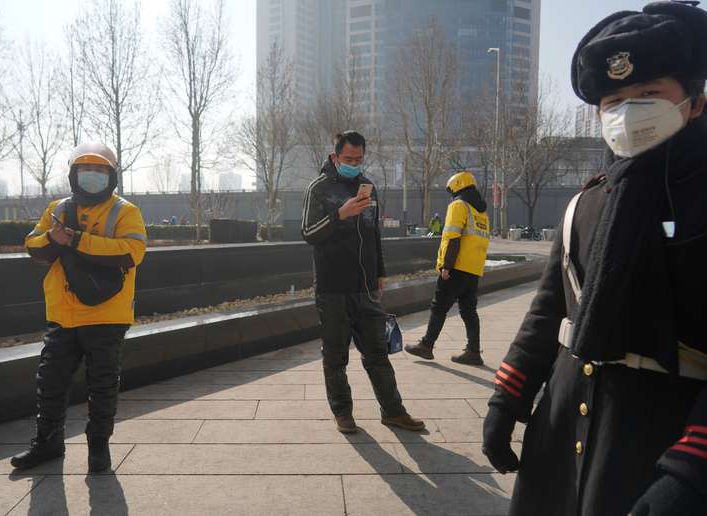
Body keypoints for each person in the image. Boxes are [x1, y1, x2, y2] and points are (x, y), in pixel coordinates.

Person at [482, 2, 707, 514]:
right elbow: (549, 312)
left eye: (650, 94)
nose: (630, 112)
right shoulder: (587, 201)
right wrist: (508, 398)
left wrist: (692, 471)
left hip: (661, 439)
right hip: (561, 429)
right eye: (614, 99)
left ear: (694, 101)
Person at [12, 143, 147, 473]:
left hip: (107, 314)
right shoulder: (57, 207)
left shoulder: (124, 211)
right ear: (73, 174)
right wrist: (52, 239)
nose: (93, 176)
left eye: (101, 171)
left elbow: (132, 252)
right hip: (62, 314)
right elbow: (33, 244)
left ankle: (98, 448)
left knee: (102, 384)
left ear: (112, 176)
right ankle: (48, 443)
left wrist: (74, 239)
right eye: (86, 170)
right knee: (51, 382)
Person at [301, 130, 425, 434]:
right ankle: (343, 412)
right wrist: (339, 215)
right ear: (334, 157)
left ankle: (393, 411)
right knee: (335, 355)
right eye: (348, 159)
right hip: (333, 288)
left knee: (377, 353)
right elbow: (307, 233)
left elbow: (373, 234)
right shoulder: (319, 189)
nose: (354, 164)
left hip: (366, 286)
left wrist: (379, 272)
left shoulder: (368, 188)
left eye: (358, 159)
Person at [405, 171, 490, 366]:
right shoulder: (481, 212)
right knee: (469, 311)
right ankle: (473, 351)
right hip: (474, 269)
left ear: (456, 186)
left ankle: (426, 346)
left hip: (456, 266)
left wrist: (446, 266)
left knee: (439, 306)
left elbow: (452, 237)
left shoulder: (458, 205)